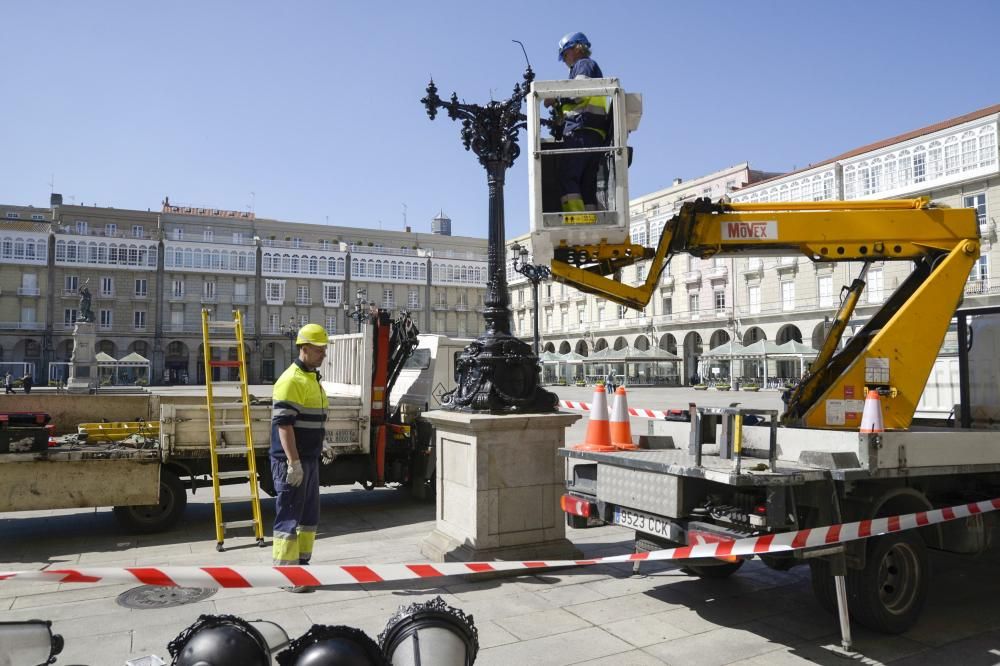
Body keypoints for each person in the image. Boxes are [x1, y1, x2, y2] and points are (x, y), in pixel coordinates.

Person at [270, 323, 329, 592]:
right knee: (289, 518)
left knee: (307, 518)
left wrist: (322, 442)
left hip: (309, 458)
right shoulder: (291, 379)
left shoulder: (311, 378)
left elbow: (312, 419)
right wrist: (293, 463)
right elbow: (284, 425)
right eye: (320, 350)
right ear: (304, 349)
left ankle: (301, 567)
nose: (323, 355)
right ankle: (285, 575)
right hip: (290, 461)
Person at [548, 31, 608, 212]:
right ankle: (589, 219)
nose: (565, 59)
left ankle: (575, 217)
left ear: (577, 48)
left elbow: (578, 91)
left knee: (568, 177)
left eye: (565, 54)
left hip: (581, 130)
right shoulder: (588, 66)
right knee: (586, 182)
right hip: (594, 133)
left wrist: (555, 97)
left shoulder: (583, 64)